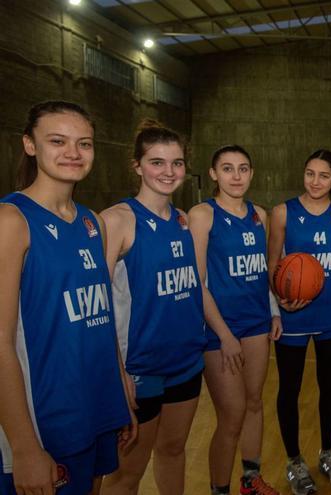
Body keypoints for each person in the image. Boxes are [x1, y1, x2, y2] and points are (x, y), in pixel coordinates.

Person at [0, 101, 134, 495]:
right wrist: (24, 447)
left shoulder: (93, 222)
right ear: (29, 144)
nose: (73, 153)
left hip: (96, 406)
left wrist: (119, 391)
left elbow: (102, 316)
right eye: (57, 141)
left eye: (84, 143)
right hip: (45, 422)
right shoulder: (12, 221)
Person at [101, 119, 207, 495]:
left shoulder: (182, 221)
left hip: (185, 361)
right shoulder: (117, 220)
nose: (168, 171)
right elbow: (100, 310)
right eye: (157, 162)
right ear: (137, 166)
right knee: (127, 472)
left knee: (174, 450)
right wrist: (116, 372)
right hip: (139, 369)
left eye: (176, 163)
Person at [188, 145, 280, 495]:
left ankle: (250, 480)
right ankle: (219, 490)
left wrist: (273, 310)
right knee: (232, 414)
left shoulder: (259, 214)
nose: (236, 176)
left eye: (243, 168)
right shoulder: (202, 215)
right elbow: (197, 282)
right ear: (213, 174)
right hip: (218, 330)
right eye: (227, 169)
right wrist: (224, 335)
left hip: (256, 323)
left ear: (252, 173)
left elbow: (262, 274)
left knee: (255, 403)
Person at [267, 149, 331, 495]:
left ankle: (328, 453)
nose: (315, 181)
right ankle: (294, 460)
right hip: (294, 313)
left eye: (323, 175)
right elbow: (273, 264)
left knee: (329, 385)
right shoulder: (283, 212)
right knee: (289, 388)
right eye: (309, 173)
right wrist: (281, 300)